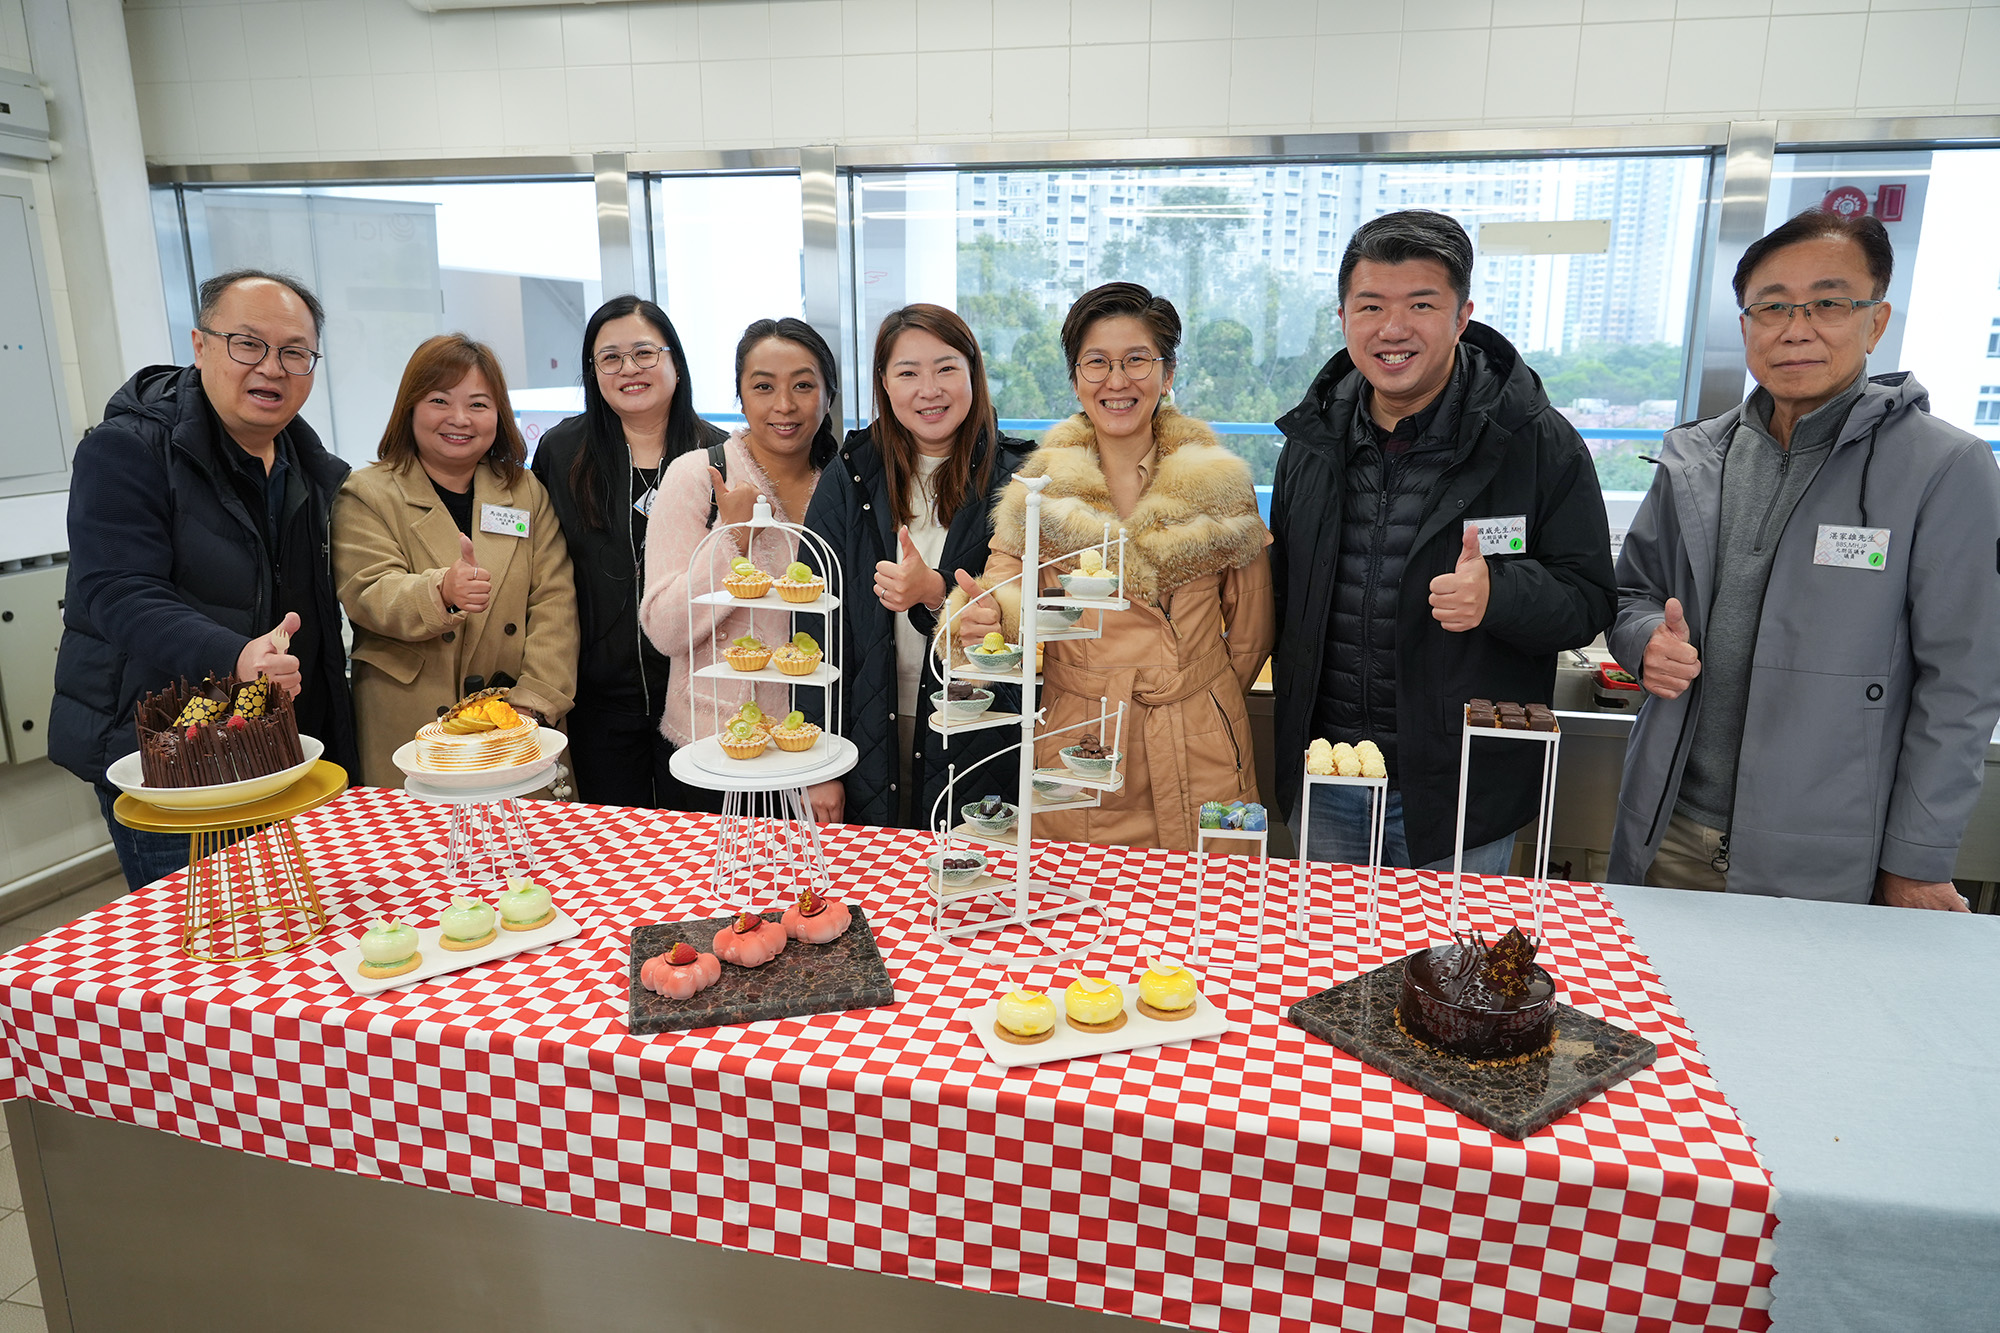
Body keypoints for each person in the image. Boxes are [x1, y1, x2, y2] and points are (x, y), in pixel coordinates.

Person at [1609, 210, 2000, 908]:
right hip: (1668, 826)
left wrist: (1916, 860)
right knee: (1645, 983)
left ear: (1875, 322)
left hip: (1831, 853)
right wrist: (1645, 644)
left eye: (1828, 303)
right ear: (1746, 326)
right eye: (1773, 306)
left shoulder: (1944, 468)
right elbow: (1629, 593)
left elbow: (1962, 686)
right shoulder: (1696, 457)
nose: (1796, 329)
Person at [1270, 210, 1615, 873]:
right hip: (1329, 776)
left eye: (1421, 304)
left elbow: (1590, 600)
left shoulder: (1534, 440)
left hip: (1461, 791)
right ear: (1343, 317)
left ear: (1462, 318)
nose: (1393, 328)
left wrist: (1499, 595)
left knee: (1450, 945)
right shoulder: (1310, 442)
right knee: (1328, 941)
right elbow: (1283, 594)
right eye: (1371, 305)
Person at [51, 269, 357, 891]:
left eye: (294, 352)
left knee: (300, 928)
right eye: (248, 344)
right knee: (208, 937)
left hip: (281, 747)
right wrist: (236, 656)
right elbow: (118, 592)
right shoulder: (127, 449)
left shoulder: (313, 468)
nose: (271, 368)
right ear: (200, 345)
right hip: (171, 754)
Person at [950, 282, 1273, 852]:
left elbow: (1251, 631)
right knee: (1078, 898)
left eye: (1137, 360)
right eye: (1096, 362)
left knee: (1209, 899)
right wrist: (980, 620)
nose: (1117, 381)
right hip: (1082, 740)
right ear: (1075, 379)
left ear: (1167, 373)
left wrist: (1200, 698)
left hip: (1200, 742)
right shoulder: (1038, 491)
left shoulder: (1221, 484)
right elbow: (1001, 597)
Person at [801, 304, 1032, 830]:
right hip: (863, 728)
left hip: (980, 732)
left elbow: (1034, 627)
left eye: (946, 368)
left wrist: (935, 591)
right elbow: (812, 626)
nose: (929, 390)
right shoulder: (850, 474)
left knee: (964, 871)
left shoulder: (1020, 479)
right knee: (870, 873)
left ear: (973, 373)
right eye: (908, 373)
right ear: (884, 383)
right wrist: (818, 762)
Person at [331, 334, 578, 789]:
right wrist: (440, 591)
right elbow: (368, 592)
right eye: (439, 400)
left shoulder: (524, 491)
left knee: (520, 833)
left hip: (516, 722)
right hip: (414, 724)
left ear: (498, 414)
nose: (460, 419)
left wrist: (533, 704)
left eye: (478, 404)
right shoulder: (367, 492)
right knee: (420, 835)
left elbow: (555, 602)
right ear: (410, 408)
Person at [532, 296, 725, 809]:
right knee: (612, 843)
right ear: (593, 372)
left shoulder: (721, 456)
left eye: (644, 353)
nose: (629, 369)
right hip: (598, 703)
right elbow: (543, 567)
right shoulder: (562, 451)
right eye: (610, 358)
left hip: (697, 701)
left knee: (695, 840)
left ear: (675, 361)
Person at [639, 318, 839, 809]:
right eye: (763, 386)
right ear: (741, 397)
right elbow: (664, 628)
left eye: (803, 385)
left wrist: (828, 759)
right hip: (711, 749)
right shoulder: (697, 476)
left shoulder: (844, 486)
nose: (784, 405)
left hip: (817, 748)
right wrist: (732, 536)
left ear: (829, 395)